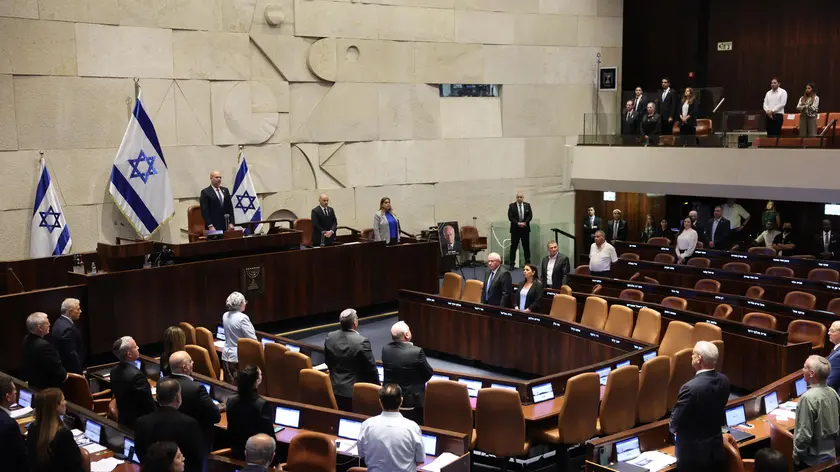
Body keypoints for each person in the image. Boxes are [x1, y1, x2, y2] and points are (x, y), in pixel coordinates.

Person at [669, 341, 730, 472]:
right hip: (716, 448)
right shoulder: (724, 380)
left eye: (693, 354)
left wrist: (673, 429)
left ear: (699, 359)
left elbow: (676, 421)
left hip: (693, 456)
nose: (691, 356)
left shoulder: (690, 388)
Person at [135, 379, 207, 472]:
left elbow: (140, 453)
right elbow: (198, 459)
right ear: (178, 397)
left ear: (157, 397)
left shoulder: (141, 422)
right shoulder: (189, 424)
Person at [357, 384, 425, 472]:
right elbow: (420, 460)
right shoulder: (412, 428)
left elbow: (361, 454)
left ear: (380, 402)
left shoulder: (367, 425)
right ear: (401, 401)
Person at [324, 309, 380, 411]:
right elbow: (371, 369)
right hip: (353, 393)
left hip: (333, 388)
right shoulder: (362, 342)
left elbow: (328, 361)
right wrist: (378, 389)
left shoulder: (330, 337)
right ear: (355, 322)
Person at [381, 321, 434, 424]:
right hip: (412, 403)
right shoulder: (416, 352)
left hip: (390, 399)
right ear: (406, 335)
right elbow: (428, 373)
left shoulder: (385, 349)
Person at [793, 355, 839, 469]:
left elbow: (804, 434)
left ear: (812, 373)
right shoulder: (833, 392)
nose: (802, 370)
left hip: (811, 460)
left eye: (805, 367)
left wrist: (797, 455)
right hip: (831, 454)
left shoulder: (807, 398)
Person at [164, 351, 222, 442]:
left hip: (170, 434)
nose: (193, 362)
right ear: (185, 367)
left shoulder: (163, 382)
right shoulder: (196, 388)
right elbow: (215, 417)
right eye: (190, 361)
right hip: (195, 439)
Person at [26, 388, 83, 472]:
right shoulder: (63, 434)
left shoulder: (32, 428)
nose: (65, 402)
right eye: (63, 400)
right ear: (56, 406)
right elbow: (75, 467)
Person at [225, 366, 275, 461]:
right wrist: (277, 462)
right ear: (257, 381)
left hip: (235, 453)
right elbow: (269, 436)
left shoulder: (231, 400)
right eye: (260, 374)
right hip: (256, 456)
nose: (262, 375)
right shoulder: (262, 404)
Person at [110, 336, 156, 430]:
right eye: (135, 347)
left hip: (124, 419)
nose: (138, 348)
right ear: (129, 354)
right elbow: (149, 406)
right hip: (140, 425)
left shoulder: (114, 371)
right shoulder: (137, 377)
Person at [22, 312, 67, 390]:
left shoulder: (26, 339)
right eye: (47, 323)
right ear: (40, 328)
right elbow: (59, 373)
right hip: (48, 390)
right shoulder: (44, 346)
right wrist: (65, 375)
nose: (49, 324)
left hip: (34, 386)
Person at [221, 291, 257, 382]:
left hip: (226, 356)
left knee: (229, 384)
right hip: (238, 357)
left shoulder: (225, 315)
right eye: (244, 302)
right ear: (241, 304)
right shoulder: (243, 318)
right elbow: (252, 340)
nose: (245, 304)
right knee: (240, 384)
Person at [0, 375, 27, 472]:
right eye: (14, 390)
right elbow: (20, 456)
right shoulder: (10, 425)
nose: (16, 392)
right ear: (8, 397)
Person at [51, 298, 84, 374]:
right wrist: (80, 374)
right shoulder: (68, 329)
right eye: (78, 309)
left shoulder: (58, 322)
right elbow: (71, 356)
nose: (80, 311)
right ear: (70, 312)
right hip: (71, 371)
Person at [508, 192, 532, 268]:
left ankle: (527, 263)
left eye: (521, 197)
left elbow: (530, 216)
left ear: (523, 198)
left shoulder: (527, 205)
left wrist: (525, 222)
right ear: (516, 198)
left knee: (526, 247)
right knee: (513, 247)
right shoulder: (511, 206)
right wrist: (518, 223)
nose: (519, 198)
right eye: (518, 197)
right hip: (515, 230)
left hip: (525, 229)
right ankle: (512, 264)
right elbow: (510, 217)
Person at [826, 321, 840, 393]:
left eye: (832, 331)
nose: (828, 333)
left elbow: (830, 384)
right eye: (829, 330)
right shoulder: (836, 350)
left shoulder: (838, 356)